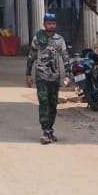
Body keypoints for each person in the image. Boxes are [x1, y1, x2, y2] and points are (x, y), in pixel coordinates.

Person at [25, 13, 70, 144]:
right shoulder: (38, 38)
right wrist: (28, 74)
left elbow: (65, 57)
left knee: (53, 104)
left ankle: (50, 129)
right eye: (49, 23)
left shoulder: (60, 40)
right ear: (44, 24)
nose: (51, 26)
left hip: (55, 77)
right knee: (44, 102)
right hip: (41, 76)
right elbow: (31, 57)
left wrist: (68, 75)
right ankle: (45, 130)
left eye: (53, 23)